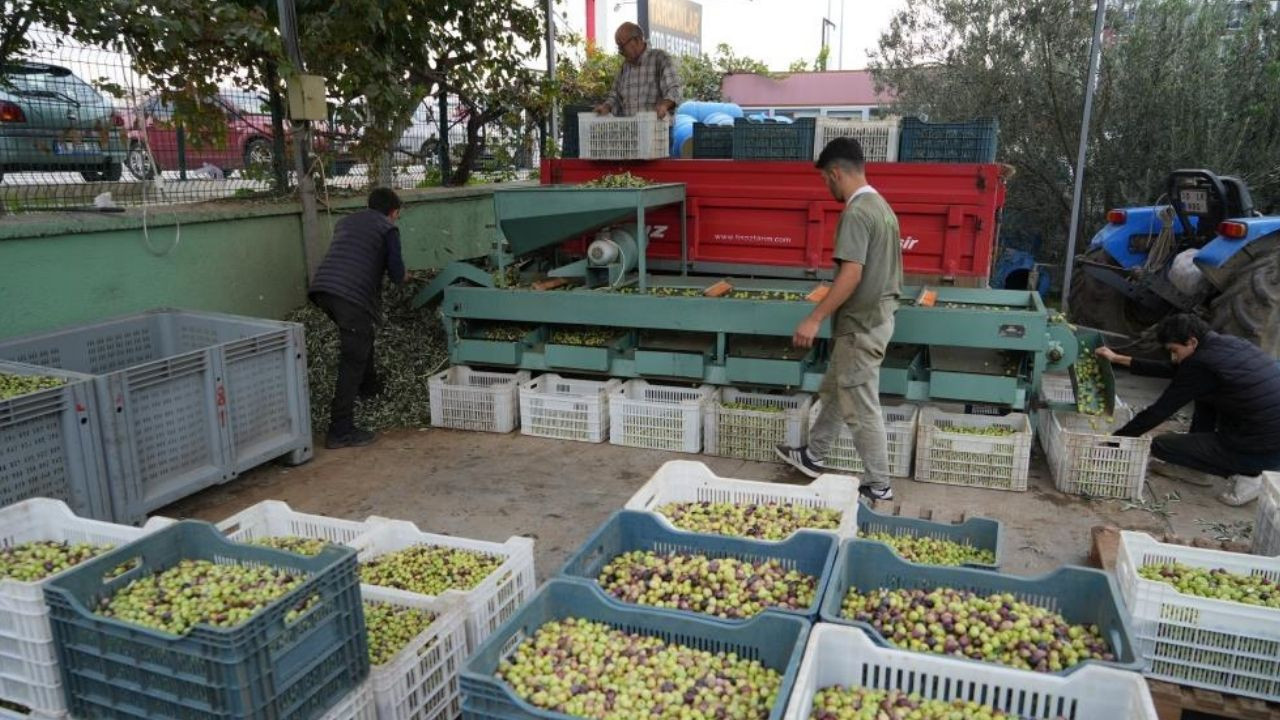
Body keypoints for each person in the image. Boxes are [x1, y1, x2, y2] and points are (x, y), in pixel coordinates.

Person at [775, 137, 903, 502]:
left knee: (860, 407)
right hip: (876, 319)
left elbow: (851, 274)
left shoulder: (857, 213)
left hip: (860, 328)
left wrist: (814, 318)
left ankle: (879, 483)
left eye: (824, 180)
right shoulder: (882, 207)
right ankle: (814, 456)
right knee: (835, 389)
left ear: (835, 173)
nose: (826, 187)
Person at [1099, 313, 1280, 505]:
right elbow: (1175, 370)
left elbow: (1159, 411)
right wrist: (1118, 358)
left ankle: (1251, 476)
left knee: (1162, 445)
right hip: (1269, 433)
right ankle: (1209, 466)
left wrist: (1115, 441)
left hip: (1263, 448)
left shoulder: (1201, 364)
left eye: (1174, 350)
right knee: (1204, 396)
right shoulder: (1228, 344)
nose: (1173, 357)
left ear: (1192, 341)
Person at [309, 187, 408, 449]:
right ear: (393, 211)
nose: (396, 219)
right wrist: (406, 277)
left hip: (323, 291)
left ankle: (369, 388)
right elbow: (397, 274)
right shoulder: (388, 228)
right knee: (352, 359)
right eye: (397, 215)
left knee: (362, 338)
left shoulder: (347, 222)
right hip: (350, 297)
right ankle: (340, 430)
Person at [594, 22, 682, 119]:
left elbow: (674, 90)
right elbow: (615, 96)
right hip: (630, 131)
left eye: (622, 46)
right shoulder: (624, 68)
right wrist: (606, 107)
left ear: (636, 40)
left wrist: (664, 105)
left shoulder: (660, 59)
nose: (620, 52)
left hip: (658, 130)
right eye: (619, 48)